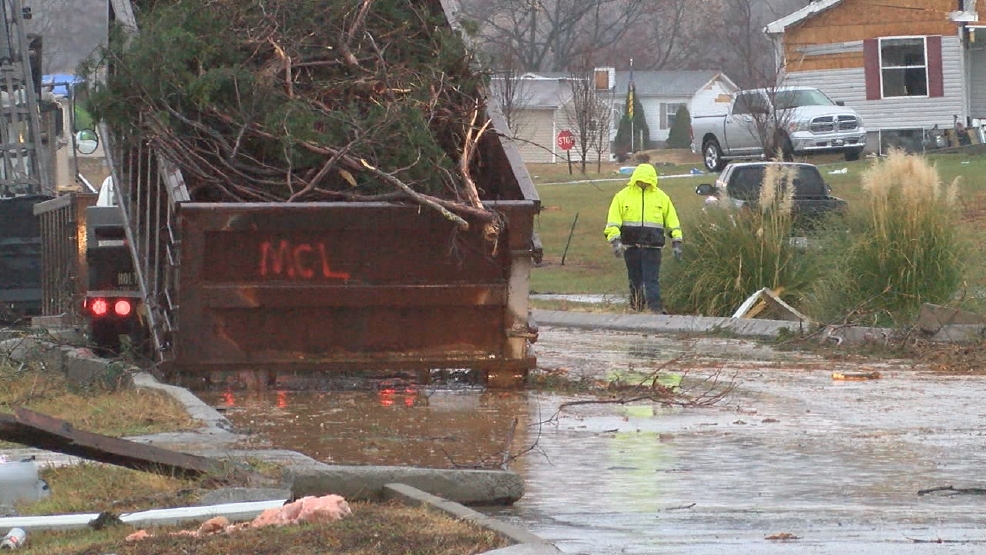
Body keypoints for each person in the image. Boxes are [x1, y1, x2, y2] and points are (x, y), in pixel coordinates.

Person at [604, 163, 682, 314]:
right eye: (641, 181)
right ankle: (637, 308)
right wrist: (615, 241)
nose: (644, 184)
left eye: (647, 181)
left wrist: (677, 241)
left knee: (651, 280)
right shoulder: (622, 196)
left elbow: (672, 222)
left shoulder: (662, 198)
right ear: (635, 179)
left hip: (653, 248)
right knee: (635, 280)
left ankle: (656, 308)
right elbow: (612, 222)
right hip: (631, 247)